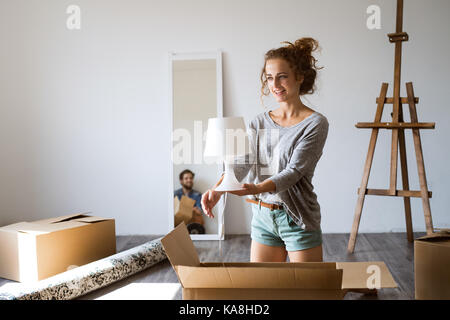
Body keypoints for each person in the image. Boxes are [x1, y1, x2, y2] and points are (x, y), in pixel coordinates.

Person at [201, 37, 329, 263]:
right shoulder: (259, 122)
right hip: (262, 216)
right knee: (262, 290)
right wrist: (217, 190)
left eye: (282, 77)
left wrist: (257, 187)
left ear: (299, 77)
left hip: (297, 219)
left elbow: (294, 171)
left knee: (311, 292)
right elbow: (244, 163)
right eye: (270, 78)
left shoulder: (315, 123)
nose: (275, 85)